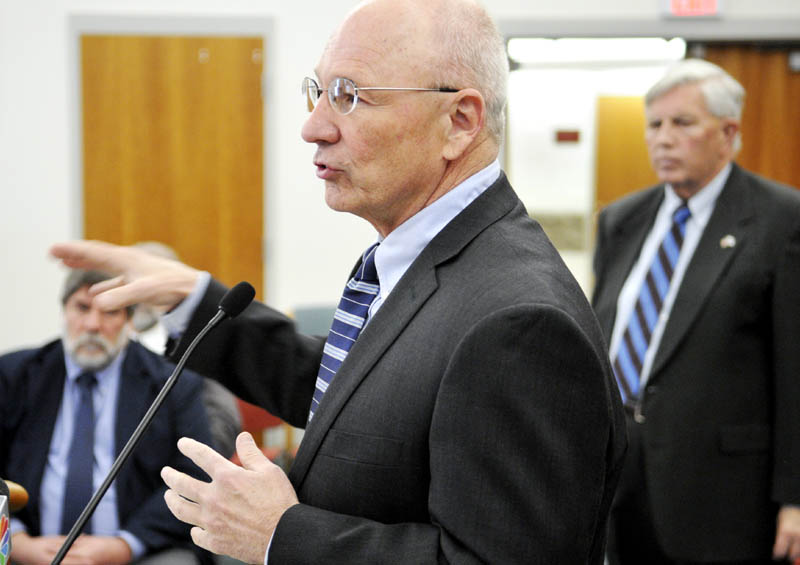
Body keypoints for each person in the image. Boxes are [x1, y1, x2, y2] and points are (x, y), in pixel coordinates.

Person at [50, 0, 627, 562]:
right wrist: (196, 302)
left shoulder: (520, 324)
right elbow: (361, 399)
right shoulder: (425, 255)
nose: (314, 127)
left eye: (350, 95)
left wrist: (281, 536)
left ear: (459, 122)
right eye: (318, 90)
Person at [591, 58, 800, 564]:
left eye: (682, 123)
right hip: (619, 478)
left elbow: (795, 369)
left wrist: (795, 498)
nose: (663, 139)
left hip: (722, 494)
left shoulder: (781, 220)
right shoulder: (621, 219)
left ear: (728, 133)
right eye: (655, 124)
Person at [0, 269, 214, 565]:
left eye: (110, 311)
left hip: (139, 552)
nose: (93, 324)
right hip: (26, 547)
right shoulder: (14, 375)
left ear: (129, 321)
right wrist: (14, 540)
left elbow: (195, 476)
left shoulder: (172, 384)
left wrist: (126, 545)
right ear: (64, 311)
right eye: (82, 308)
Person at [131, 241, 243, 460]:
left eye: (150, 285)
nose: (138, 297)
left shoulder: (199, 343)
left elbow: (222, 429)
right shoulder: (103, 344)